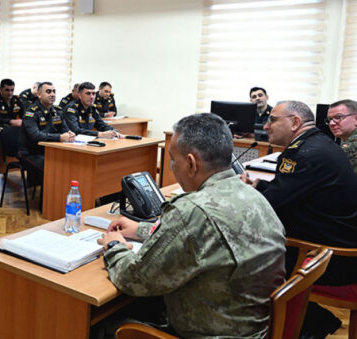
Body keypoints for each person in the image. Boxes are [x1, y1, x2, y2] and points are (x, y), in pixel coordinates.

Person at [94, 113, 285, 338]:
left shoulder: (192, 210)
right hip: (251, 327)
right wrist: (140, 230)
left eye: (173, 159)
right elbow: (204, 238)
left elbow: (132, 279)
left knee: (99, 326)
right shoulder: (251, 194)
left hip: (210, 332)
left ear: (192, 163)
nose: (172, 166)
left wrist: (115, 246)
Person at [241, 100, 357, 337]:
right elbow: (294, 191)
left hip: (333, 259)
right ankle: (308, 320)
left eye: (273, 120)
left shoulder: (303, 154)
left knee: (243, 257)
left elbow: (271, 207)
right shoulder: (318, 144)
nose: (266, 126)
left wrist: (249, 191)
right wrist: (261, 186)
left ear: (295, 122)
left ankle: (300, 323)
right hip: (342, 245)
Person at [18, 82, 74, 174]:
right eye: (48, 92)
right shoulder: (31, 113)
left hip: (49, 150)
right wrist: (59, 137)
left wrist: (70, 134)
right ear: (39, 94)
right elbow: (36, 136)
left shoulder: (57, 111)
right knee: (52, 165)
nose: (52, 94)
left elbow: (65, 129)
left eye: (54, 92)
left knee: (70, 161)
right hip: (30, 152)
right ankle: (49, 188)